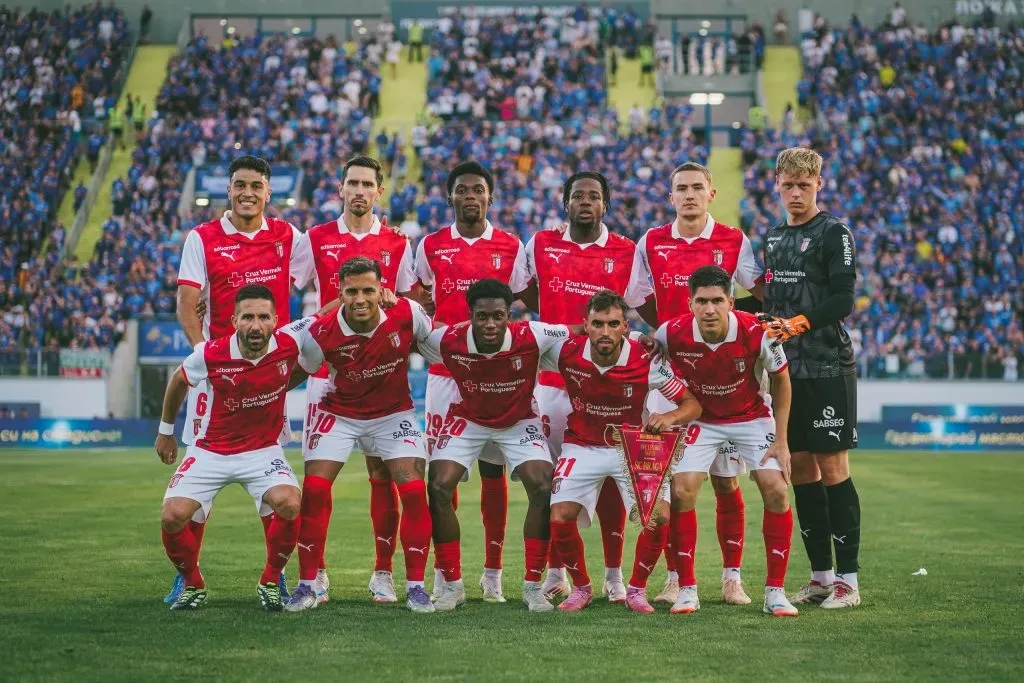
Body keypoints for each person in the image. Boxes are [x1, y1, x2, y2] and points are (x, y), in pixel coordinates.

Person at [171, 155, 312, 603]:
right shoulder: (203, 237)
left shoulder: (289, 236)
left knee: (277, 491)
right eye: (239, 185)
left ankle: (276, 572)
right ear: (228, 190)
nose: (247, 192)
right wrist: (206, 360)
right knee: (197, 487)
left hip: (268, 378)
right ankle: (186, 573)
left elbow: (324, 279)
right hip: (216, 382)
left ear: (269, 191)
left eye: (256, 185)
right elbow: (187, 300)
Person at [521, 171, 656, 603]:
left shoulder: (625, 250)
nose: (585, 202)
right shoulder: (540, 244)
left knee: (617, 479)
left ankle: (614, 576)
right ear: (565, 203)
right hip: (553, 385)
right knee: (553, 485)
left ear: (605, 204)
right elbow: (522, 294)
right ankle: (557, 572)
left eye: (594, 196)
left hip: (612, 384)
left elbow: (638, 305)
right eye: (577, 195)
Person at [292, 156, 421, 605]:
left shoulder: (399, 243)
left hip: (381, 377)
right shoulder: (315, 239)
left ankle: (383, 574)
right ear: (341, 189)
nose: (360, 190)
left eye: (368, 183)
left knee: (382, 476)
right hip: (328, 377)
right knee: (317, 479)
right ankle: (317, 572)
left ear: (379, 191)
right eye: (352, 183)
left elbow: (407, 302)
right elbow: (286, 288)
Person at [637, 161, 764, 606]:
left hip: (725, 380)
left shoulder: (733, 240)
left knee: (728, 483)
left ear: (711, 193)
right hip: (672, 378)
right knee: (676, 486)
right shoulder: (651, 241)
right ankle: (675, 576)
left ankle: (733, 578)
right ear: (670, 196)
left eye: (696, 188)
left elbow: (756, 290)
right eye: (680, 189)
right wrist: (671, 337)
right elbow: (640, 298)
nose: (688, 195)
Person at [284, 256, 435, 614]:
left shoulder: (408, 313)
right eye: (352, 291)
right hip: (340, 413)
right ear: (340, 291)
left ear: (383, 289)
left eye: (369, 289)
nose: (361, 299)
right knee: (315, 489)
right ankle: (307, 584)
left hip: (392, 413)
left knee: (413, 490)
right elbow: (296, 375)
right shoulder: (321, 331)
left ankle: (414, 585)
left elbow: (437, 344)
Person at [154, 285, 319, 611]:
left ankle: (271, 580)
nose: (255, 325)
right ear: (234, 320)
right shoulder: (211, 353)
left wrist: (282, 382)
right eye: (247, 317)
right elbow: (178, 379)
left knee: (290, 503)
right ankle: (192, 583)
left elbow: (321, 326)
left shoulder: (288, 343)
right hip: (209, 451)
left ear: (274, 320)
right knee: (172, 516)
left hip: (263, 451)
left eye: (262, 317)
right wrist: (165, 432)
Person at [542, 291, 703, 612]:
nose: (605, 331)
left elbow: (692, 404)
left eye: (613, 324)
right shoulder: (566, 352)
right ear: (585, 325)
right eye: (597, 324)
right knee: (559, 518)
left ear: (624, 327)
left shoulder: (645, 360)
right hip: (581, 444)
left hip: (632, 446)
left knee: (659, 517)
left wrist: (669, 417)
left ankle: (636, 590)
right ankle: (582, 589)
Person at [414, 161, 531, 603]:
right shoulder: (430, 246)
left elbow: (521, 301)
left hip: (497, 377)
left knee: (493, 475)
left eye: (478, 189)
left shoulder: (510, 245)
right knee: (443, 477)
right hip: (446, 377)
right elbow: (418, 297)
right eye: (461, 189)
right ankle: (448, 578)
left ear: (489, 197)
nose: (470, 195)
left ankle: (493, 574)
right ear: (450, 197)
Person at [417, 279, 568, 612]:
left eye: (498, 316)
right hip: (468, 420)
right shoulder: (448, 340)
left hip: (519, 422)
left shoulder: (534, 335)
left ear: (509, 315)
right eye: (482, 316)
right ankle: (452, 585)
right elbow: (409, 340)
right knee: (439, 485)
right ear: (470, 314)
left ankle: (532, 587)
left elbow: (577, 331)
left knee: (544, 486)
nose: (490, 324)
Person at [656, 265, 798, 617]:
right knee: (683, 489)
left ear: (731, 302)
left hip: (750, 416)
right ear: (690, 304)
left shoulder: (757, 332)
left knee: (777, 489)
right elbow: (644, 360)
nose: (709, 309)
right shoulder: (670, 333)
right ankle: (687, 589)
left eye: (717, 301)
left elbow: (782, 380)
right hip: (702, 419)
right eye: (701, 301)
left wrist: (781, 441)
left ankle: (775, 593)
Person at [760, 147, 861, 609]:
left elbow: (842, 300)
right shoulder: (774, 236)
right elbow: (771, 304)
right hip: (786, 373)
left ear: (818, 184)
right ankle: (820, 576)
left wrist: (796, 325)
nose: (796, 193)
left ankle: (849, 582)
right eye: (788, 185)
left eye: (804, 185)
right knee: (800, 469)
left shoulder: (834, 232)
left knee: (834, 468)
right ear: (777, 185)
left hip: (826, 368)